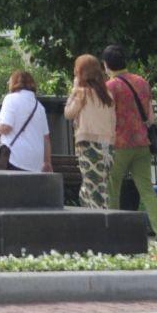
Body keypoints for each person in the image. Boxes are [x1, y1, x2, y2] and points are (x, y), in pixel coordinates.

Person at [103, 44, 157, 238]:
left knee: (113, 187)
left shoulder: (110, 86)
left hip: (119, 144)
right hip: (142, 142)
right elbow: (150, 116)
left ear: (106, 65)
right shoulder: (141, 82)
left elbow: (107, 115)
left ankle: (113, 229)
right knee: (147, 190)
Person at [65, 53, 116, 210]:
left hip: (88, 145)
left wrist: (74, 89)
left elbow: (68, 113)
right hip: (108, 146)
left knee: (92, 187)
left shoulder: (82, 93)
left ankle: (100, 222)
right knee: (100, 185)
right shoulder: (107, 95)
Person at [0, 68, 51, 174]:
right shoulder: (39, 106)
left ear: (13, 83)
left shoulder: (11, 99)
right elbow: (46, 138)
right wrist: (47, 162)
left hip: (14, 157)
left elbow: (6, 126)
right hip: (35, 162)